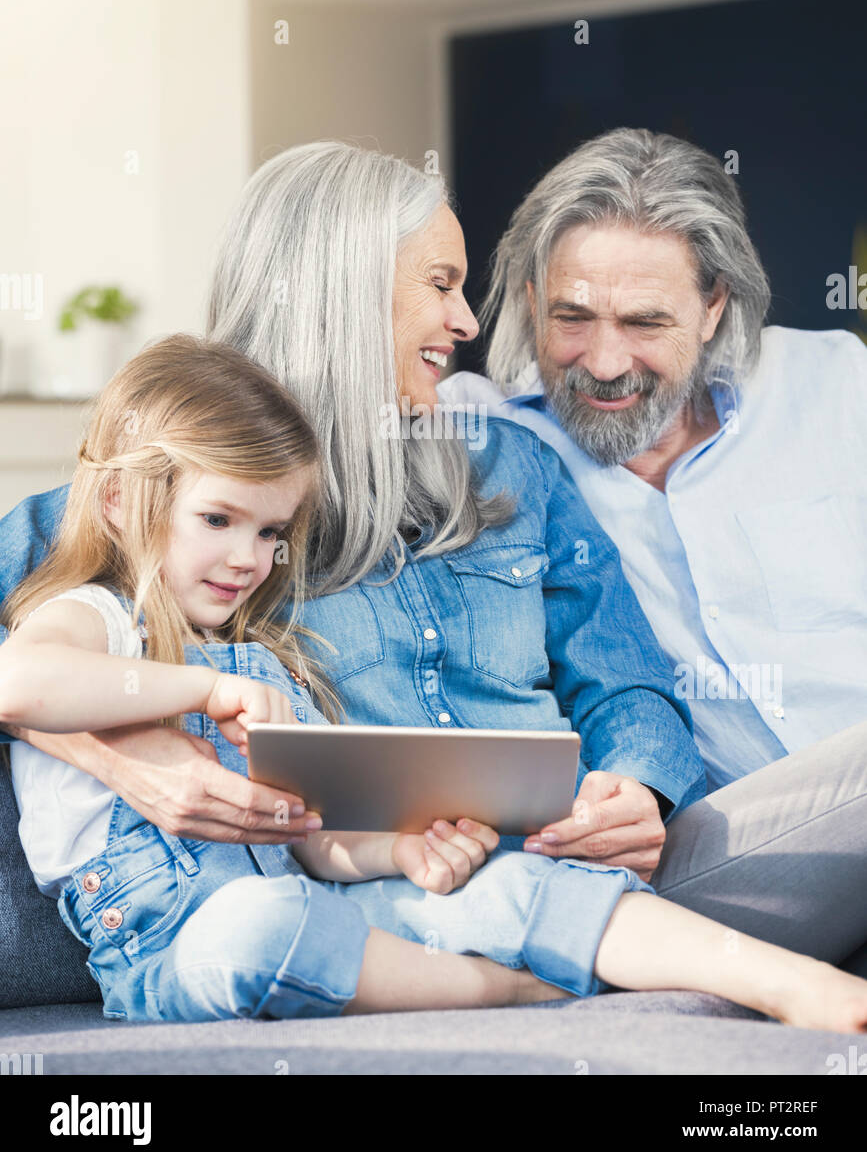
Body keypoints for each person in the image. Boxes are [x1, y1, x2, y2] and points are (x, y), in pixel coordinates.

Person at [2, 333, 866, 1030]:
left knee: (505, 880)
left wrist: (400, 851)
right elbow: (21, 683)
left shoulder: (267, 660)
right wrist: (193, 692)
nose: (249, 558)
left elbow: (316, 838)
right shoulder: (95, 618)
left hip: (315, 903)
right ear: (120, 501)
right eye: (217, 519)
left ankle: (790, 983)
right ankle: (521, 995)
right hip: (168, 948)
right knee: (257, 931)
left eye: (272, 531)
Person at [439, 125, 867, 972]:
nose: (602, 361)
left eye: (643, 322)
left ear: (713, 305)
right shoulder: (477, 440)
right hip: (709, 855)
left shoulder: (834, 385)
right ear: (529, 298)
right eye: (570, 317)